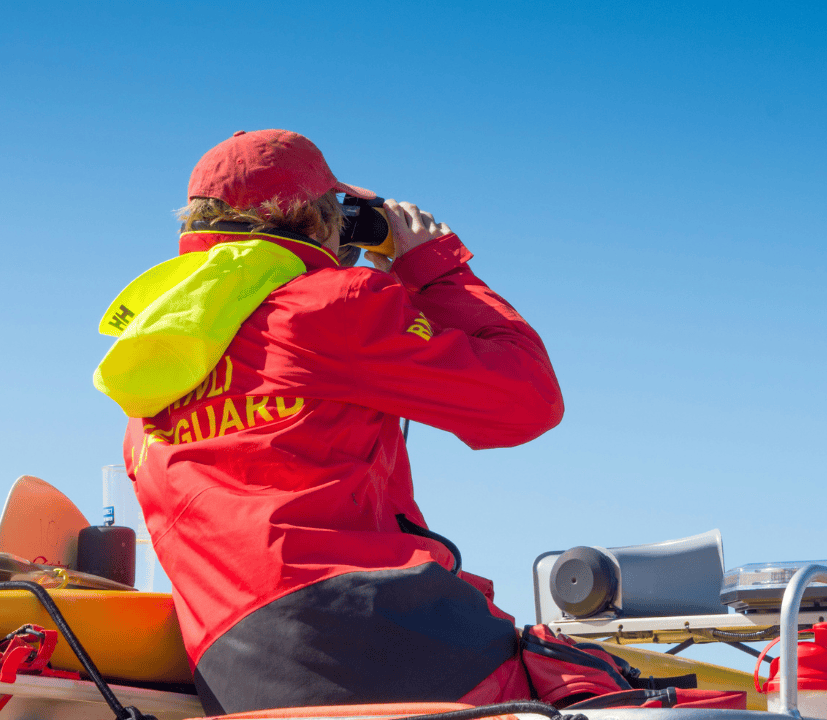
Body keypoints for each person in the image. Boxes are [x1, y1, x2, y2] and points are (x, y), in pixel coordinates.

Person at [95, 130, 728, 714]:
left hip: (238, 671)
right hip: (373, 629)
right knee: (609, 691)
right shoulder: (329, 305)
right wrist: (433, 266)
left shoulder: (149, 373)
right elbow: (527, 399)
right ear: (317, 218)